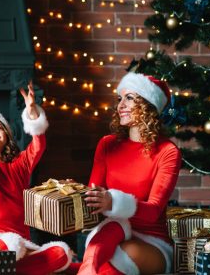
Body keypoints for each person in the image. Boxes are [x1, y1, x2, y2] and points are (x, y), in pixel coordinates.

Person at [78, 72, 182, 275]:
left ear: (148, 105)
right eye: (119, 99)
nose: (120, 105)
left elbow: (152, 212)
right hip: (111, 232)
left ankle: (86, 268)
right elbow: (94, 194)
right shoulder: (107, 144)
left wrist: (113, 203)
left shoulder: (168, 152)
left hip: (150, 239)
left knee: (115, 256)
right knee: (110, 235)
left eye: (129, 98)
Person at [0, 82, 72, 274]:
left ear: (6, 135)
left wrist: (32, 113)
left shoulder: (20, 165)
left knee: (62, 253)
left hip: (23, 243)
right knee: (9, 244)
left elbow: (38, 145)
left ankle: (0, 270)